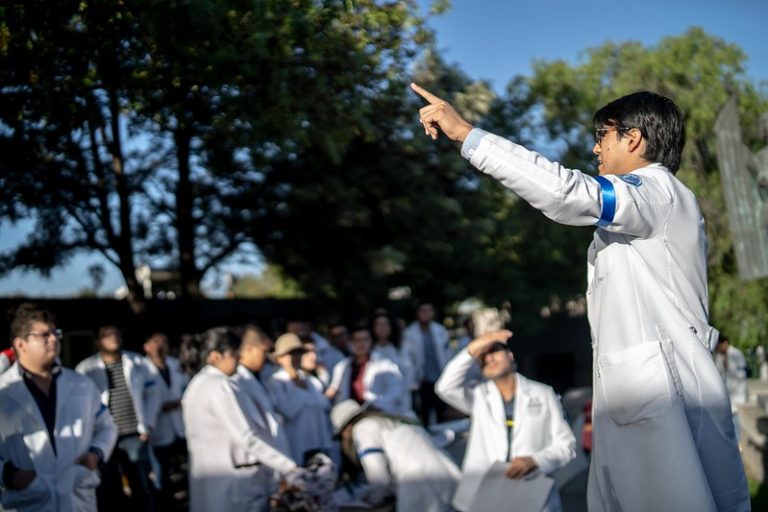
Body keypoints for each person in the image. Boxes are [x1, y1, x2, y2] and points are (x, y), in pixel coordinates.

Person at [413, 83, 749, 511]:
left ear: (634, 138)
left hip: (662, 402)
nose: (595, 150)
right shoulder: (649, 204)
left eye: (602, 136)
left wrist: (468, 136)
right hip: (641, 399)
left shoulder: (654, 192)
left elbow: (568, 193)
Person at [435, 329, 575, 511]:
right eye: (482, 357)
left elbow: (567, 445)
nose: (489, 359)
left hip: (532, 490)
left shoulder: (542, 394)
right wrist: (473, 348)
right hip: (487, 493)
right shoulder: (478, 397)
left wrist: (536, 461)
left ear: (510, 355)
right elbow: (444, 386)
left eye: (494, 351)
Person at [0, 303, 117, 512]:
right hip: (28, 501)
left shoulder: (81, 384)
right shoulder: (3, 392)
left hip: (78, 497)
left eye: (56, 333)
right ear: (20, 345)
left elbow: (106, 425)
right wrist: (9, 475)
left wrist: (96, 454)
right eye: (44, 335)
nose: (54, 339)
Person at [182, 327, 299, 512]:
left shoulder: (195, 385)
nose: (238, 360)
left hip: (210, 480)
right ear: (215, 356)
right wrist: (289, 467)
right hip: (236, 482)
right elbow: (245, 437)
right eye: (233, 354)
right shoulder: (221, 385)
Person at [76, 325, 160, 511]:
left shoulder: (137, 362)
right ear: (98, 342)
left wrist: (149, 424)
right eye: (107, 335)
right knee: (109, 488)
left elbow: (154, 393)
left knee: (141, 485)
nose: (113, 338)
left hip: (133, 434)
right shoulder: (85, 369)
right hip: (102, 439)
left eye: (116, 334)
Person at [331, 399, 460, 511]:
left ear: (346, 428)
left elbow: (379, 477)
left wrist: (372, 499)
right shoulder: (390, 420)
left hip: (420, 484)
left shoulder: (363, 428)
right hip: (449, 473)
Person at [269, 333, 334, 465]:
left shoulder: (310, 380)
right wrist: (297, 387)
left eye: (298, 353)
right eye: (290, 354)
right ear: (279, 358)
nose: (295, 358)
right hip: (296, 445)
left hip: (318, 442)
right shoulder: (275, 382)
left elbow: (323, 405)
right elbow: (288, 410)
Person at [233, 325, 292, 459]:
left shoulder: (259, 377)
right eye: (263, 351)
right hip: (259, 457)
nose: (266, 356)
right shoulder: (238, 382)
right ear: (249, 349)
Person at [143, 332, 187, 509]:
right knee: (162, 470)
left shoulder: (175, 364)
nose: (160, 345)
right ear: (147, 347)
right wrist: (160, 407)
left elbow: (186, 386)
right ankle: (166, 504)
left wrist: (180, 401)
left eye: (164, 341)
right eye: (155, 342)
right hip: (158, 426)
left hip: (179, 423)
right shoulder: (142, 369)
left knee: (185, 466)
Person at [326, 325, 407, 416]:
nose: (362, 344)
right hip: (350, 416)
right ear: (350, 342)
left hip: (376, 414)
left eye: (365, 339)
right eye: (357, 340)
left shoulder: (384, 364)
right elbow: (335, 390)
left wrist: (379, 404)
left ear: (371, 341)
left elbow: (396, 389)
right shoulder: (342, 366)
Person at [402, 302, 451, 425]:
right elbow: (408, 358)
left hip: (440, 376)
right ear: (418, 314)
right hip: (423, 380)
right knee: (425, 412)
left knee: (442, 410)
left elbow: (447, 353)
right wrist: (414, 378)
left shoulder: (440, 330)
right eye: (423, 311)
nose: (426, 314)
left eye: (429, 311)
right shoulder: (409, 333)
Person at [714, 333, 748, 440]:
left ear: (725, 343)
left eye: (719, 345)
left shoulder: (736, 354)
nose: (718, 348)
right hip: (728, 393)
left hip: (738, 391)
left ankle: (739, 443)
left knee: (737, 419)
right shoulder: (719, 357)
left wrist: (730, 370)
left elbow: (743, 373)